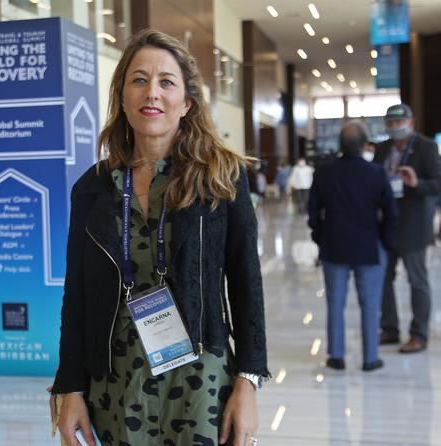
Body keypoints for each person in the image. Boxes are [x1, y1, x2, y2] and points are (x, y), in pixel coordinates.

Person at [51, 30, 269, 446]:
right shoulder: (93, 189)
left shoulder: (221, 178)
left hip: (202, 380)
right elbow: (76, 296)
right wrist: (70, 388)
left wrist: (249, 382)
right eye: (139, 79)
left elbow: (247, 283)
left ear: (187, 102)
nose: (152, 92)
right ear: (123, 96)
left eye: (166, 81)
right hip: (116, 380)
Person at [308, 121, 397, 371]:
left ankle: (336, 355)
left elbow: (313, 211)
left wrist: (320, 237)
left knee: (335, 304)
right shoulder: (376, 173)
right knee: (370, 305)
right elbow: (391, 211)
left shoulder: (325, 172)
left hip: (334, 246)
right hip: (369, 246)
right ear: (364, 145)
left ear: (340, 144)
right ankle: (370, 358)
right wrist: (385, 241)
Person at [375, 103, 441, 353]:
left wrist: (416, 182)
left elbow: (437, 184)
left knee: (417, 280)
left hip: (414, 225)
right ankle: (390, 328)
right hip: (386, 224)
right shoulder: (382, 149)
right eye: (390, 123)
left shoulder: (426, 147)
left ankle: (419, 334)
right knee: (383, 278)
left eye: (398, 123)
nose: (394, 127)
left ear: (410, 123)